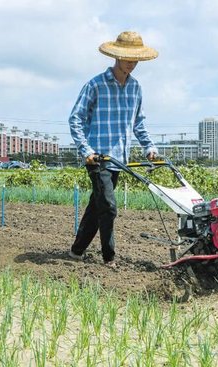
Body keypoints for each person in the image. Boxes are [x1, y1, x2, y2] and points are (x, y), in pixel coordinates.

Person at [68, 31, 159, 267]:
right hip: (98, 158)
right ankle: (109, 258)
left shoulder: (136, 88)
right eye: (128, 57)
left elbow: (138, 122)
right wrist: (86, 150)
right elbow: (76, 118)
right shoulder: (96, 84)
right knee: (108, 207)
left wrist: (149, 146)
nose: (132, 62)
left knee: (98, 206)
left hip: (119, 159)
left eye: (136, 58)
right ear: (117, 56)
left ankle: (76, 252)